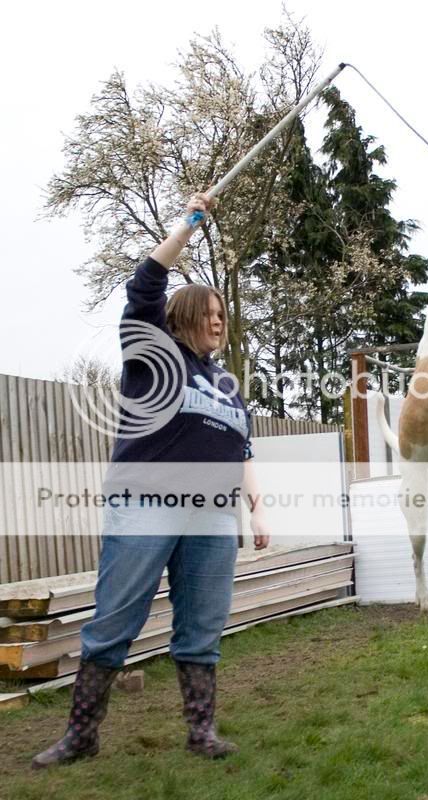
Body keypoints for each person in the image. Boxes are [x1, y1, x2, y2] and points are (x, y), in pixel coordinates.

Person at [32, 194, 270, 769]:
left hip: (213, 517)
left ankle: (201, 733)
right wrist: (189, 224)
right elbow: (145, 283)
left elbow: (242, 449)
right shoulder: (152, 354)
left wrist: (259, 512)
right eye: (209, 313)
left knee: (203, 628)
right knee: (115, 621)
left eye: (223, 314)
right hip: (147, 504)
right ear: (182, 316)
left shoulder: (227, 384)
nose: (220, 321)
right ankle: (81, 736)